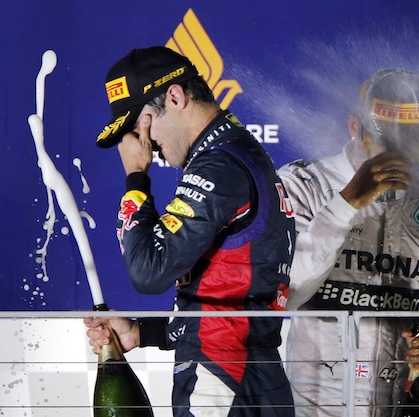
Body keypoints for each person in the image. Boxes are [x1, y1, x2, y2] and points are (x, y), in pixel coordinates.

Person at [83, 46, 296, 417]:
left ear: (175, 96)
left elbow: (149, 271)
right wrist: (141, 333)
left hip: (220, 378)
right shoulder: (238, 153)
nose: (144, 142)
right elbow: (228, 298)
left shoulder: (219, 165)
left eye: (142, 124)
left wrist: (136, 179)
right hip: (253, 374)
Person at [278, 68, 419, 417]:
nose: (395, 156)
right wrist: (345, 204)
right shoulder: (304, 184)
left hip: (401, 406)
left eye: (407, 145)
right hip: (313, 405)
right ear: (355, 126)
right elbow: (287, 292)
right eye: (386, 143)